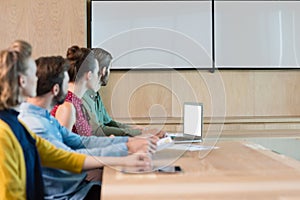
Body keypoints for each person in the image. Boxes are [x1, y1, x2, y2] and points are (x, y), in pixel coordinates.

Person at [0, 41, 151, 200]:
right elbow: (11, 192)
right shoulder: (14, 128)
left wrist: (125, 149)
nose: (38, 79)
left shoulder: (20, 124)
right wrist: (125, 150)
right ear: (22, 81)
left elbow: (67, 155)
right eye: (33, 74)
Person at [82, 48, 166, 138]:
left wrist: (136, 129)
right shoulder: (83, 97)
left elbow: (108, 122)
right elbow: (97, 130)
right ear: (104, 71)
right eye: (109, 69)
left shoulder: (95, 95)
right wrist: (137, 133)